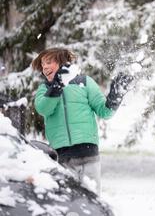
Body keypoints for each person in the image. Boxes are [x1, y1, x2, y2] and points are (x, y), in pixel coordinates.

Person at [32, 48, 132, 194]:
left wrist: (114, 98)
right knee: (68, 200)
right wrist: (57, 86)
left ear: (62, 62)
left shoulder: (84, 82)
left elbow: (104, 112)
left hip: (88, 153)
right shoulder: (44, 89)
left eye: (48, 62)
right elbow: (43, 108)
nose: (45, 67)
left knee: (92, 198)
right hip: (62, 155)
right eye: (42, 65)